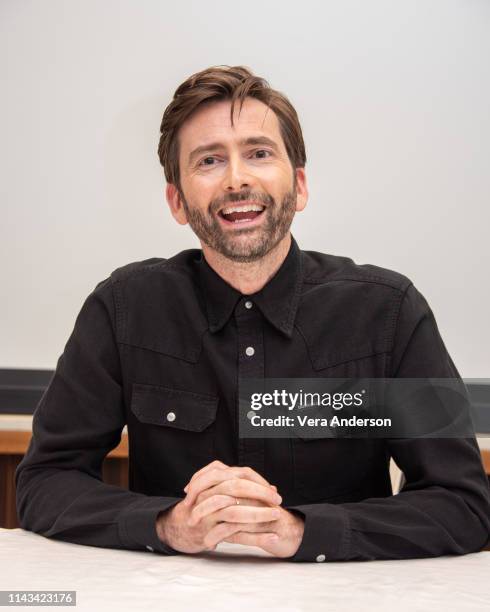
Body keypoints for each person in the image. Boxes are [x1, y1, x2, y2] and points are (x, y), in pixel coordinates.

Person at [16, 65, 490, 562]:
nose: (237, 179)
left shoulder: (389, 312)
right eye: (209, 161)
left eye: (259, 153)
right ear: (177, 201)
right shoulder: (122, 309)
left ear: (299, 186)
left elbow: (462, 506)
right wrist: (167, 525)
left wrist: (304, 532)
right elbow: (44, 482)